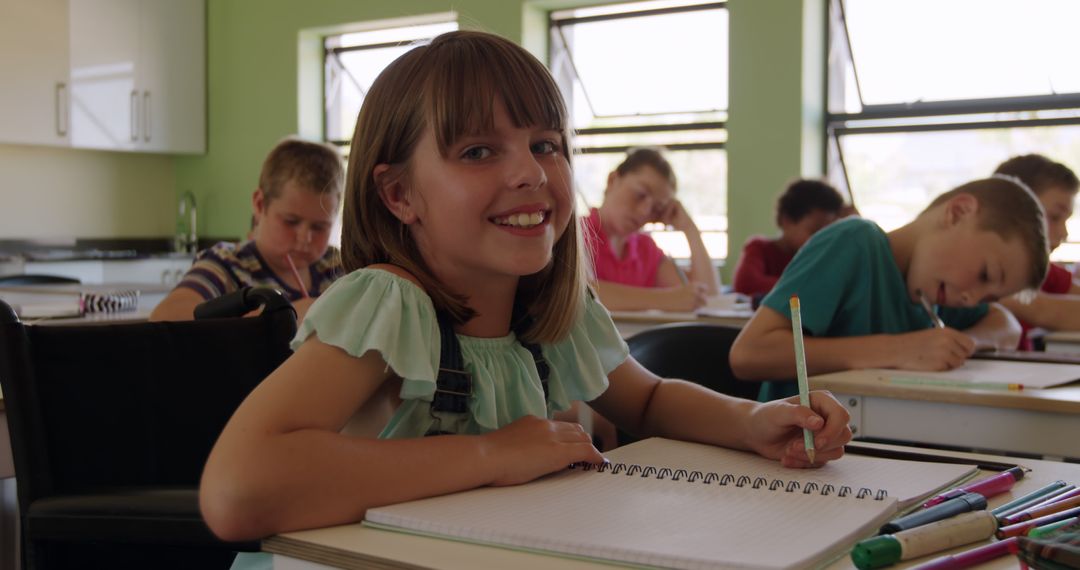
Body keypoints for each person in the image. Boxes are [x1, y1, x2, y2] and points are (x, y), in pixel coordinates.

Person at [199, 32, 853, 554]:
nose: (531, 172)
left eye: (546, 144)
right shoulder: (391, 304)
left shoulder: (548, 311)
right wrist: (489, 454)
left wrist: (752, 422)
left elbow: (647, 399)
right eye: (480, 151)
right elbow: (236, 489)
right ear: (399, 195)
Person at [730, 176, 1049, 401]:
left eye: (989, 294)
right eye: (984, 274)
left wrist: (962, 344)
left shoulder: (937, 292)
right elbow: (748, 354)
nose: (972, 298)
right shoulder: (855, 242)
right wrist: (900, 349)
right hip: (796, 458)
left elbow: (1005, 322)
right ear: (958, 212)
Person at [150, 138, 344, 322]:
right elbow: (164, 318)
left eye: (320, 226)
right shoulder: (227, 265)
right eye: (291, 221)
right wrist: (276, 320)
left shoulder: (335, 267)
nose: (305, 238)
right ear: (260, 205)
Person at [583, 147, 720, 312]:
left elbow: (707, 297)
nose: (645, 212)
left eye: (657, 208)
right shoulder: (574, 234)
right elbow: (580, 293)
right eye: (640, 194)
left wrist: (690, 229)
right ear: (613, 180)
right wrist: (666, 299)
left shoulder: (646, 249)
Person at [991, 155, 1080, 349]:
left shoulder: (1036, 268)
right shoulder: (987, 272)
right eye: (1054, 217)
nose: (1064, 233)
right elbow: (1044, 310)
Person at [732, 178, 846, 299]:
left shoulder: (822, 257)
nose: (821, 240)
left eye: (827, 234)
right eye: (814, 232)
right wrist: (809, 286)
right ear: (786, 221)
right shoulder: (759, 248)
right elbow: (746, 284)